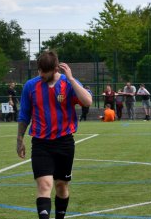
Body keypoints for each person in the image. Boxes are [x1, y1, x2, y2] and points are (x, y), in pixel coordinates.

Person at [16, 51, 93, 219]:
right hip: (40, 144)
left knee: (61, 187)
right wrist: (19, 139)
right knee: (44, 185)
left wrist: (72, 79)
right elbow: (24, 115)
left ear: (56, 69)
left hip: (64, 142)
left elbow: (87, 101)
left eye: (45, 71)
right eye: (39, 70)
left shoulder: (68, 83)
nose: (41, 74)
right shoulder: (30, 86)